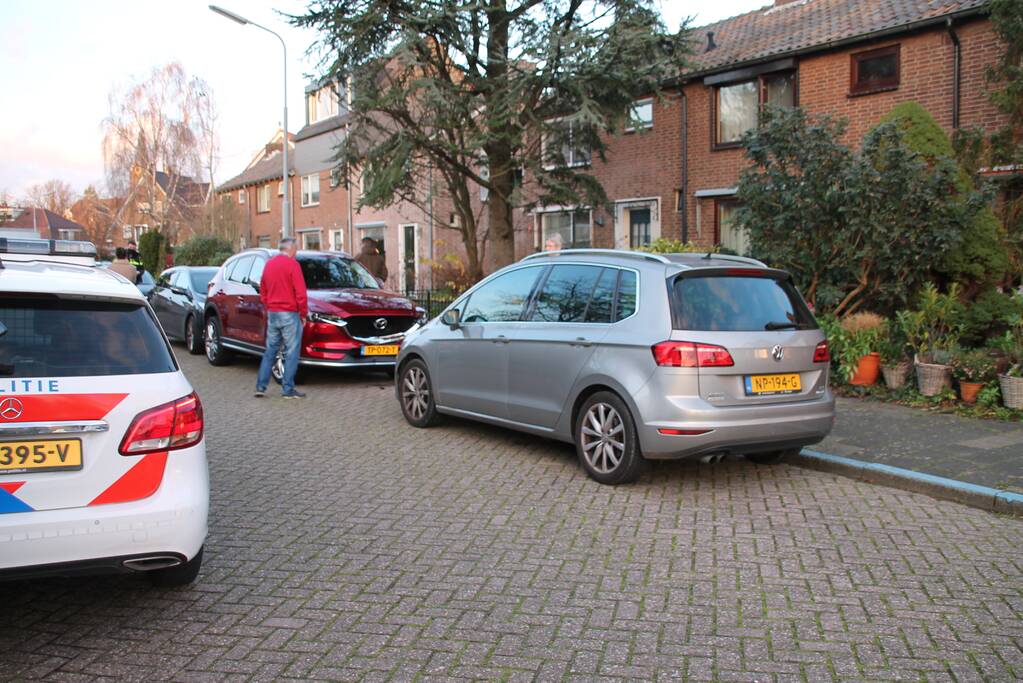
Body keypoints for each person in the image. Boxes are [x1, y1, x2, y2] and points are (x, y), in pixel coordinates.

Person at [255, 237, 308, 399]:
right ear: (290, 249)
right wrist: (303, 313)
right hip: (289, 313)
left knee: (271, 349)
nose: (296, 252)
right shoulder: (293, 265)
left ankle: (261, 386)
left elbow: (262, 289)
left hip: (273, 312)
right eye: (296, 249)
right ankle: (288, 389)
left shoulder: (269, 264)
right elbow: (300, 292)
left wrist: (269, 305)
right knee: (291, 351)